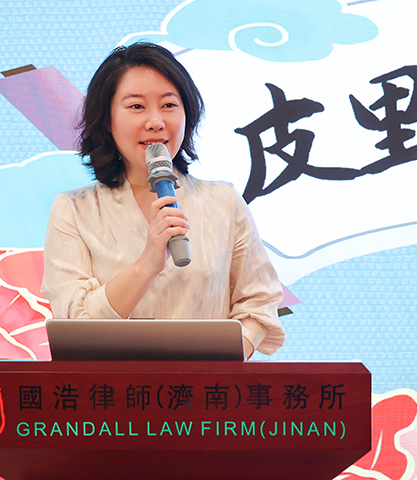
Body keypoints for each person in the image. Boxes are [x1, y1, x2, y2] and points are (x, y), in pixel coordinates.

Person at [41, 42, 285, 358]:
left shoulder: (223, 202)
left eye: (169, 105)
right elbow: (75, 324)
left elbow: (259, 302)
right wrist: (145, 265)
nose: (156, 121)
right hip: (114, 388)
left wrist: (223, 363)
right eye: (136, 106)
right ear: (107, 120)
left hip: (207, 387)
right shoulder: (74, 210)